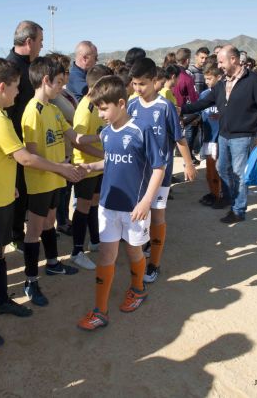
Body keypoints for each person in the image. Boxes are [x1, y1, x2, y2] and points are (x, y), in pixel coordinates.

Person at [0, 58, 83, 346]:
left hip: (0, 194)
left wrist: (10, 187)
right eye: (17, 87)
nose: (19, 92)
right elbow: (25, 158)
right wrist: (62, 168)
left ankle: (2, 300)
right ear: (3, 86)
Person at [76, 76, 166, 331]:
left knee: (134, 251)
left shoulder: (141, 130)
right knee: (107, 254)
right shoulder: (105, 134)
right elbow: (111, 162)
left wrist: (147, 201)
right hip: (107, 205)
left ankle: (137, 289)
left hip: (135, 208)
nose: (101, 114)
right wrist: (89, 166)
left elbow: (158, 168)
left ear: (121, 103)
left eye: (104, 108)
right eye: (98, 109)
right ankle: (100, 311)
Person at [21, 56, 99, 306]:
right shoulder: (33, 111)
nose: (61, 88)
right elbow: (31, 155)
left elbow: (75, 137)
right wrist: (61, 168)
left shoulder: (54, 109)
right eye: (57, 83)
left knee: (50, 222)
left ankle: (53, 263)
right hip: (42, 181)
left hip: (56, 178)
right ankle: (30, 281)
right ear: (45, 81)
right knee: (34, 230)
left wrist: (101, 135)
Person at [181, 45, 257, 223]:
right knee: (221, 168)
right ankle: (231, 198)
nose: (220, 65)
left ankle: (238, 210)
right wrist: (181, 109)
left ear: (234, 59)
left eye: (222, 61)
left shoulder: (253, 81)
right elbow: (204, 102)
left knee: (238, 173)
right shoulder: (222, 83)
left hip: (243, 136)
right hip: (224, 136)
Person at [128, 58, 197, 283]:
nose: (138, 88)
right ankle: (144, 246)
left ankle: (154, 263)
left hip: (161, 173)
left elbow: (179, 138)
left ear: (154, 81)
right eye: (134, 83)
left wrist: (188, 164)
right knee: (139, 215)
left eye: (142, 84)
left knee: (157, 215)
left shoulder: (164, 106)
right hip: (138, 174)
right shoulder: (131, 105)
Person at [70, 64, 113, 270]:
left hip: (98, 166)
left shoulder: (98, 105)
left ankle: (94, 241)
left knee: (95, 203)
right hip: (85, 166)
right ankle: (77, 251)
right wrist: (103, 154)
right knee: (83, 206)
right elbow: (77, 141)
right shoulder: (85, 108)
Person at [6, 20, 44, 252]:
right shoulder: (11, 68)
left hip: (29, 137)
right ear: (29, 42)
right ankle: (15, 235)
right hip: (16, 142)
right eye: (40, 41)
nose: (41, 46)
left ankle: (28, 229)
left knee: (27, 189)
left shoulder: (30, 66)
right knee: (17, 189)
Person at [45, 52, 78, 236]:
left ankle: (63, 220)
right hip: (62, 147)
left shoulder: (65, 92)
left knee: (66, 189)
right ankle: (61, 222)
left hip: (70, 146)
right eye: (64, 71)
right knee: (61, 190)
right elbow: (72, 116)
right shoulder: (54, 98)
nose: (67, 74)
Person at [198, 66, 223, 207]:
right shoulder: (204, 95)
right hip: (207, 139)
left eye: (209, 78)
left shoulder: (225, 95)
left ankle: (220, 195)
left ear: (218, 77)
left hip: (219, 139)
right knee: (209, 171)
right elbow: (199, 111)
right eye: (205, 78)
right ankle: (213, 193)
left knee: (219, 170)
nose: (207, 81)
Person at [173, 48, 200, 164]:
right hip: (183, 111)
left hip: (169, 110)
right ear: (187, 60)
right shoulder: (187, 78)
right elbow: (194, 99)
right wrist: (196, 115)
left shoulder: (169, 75)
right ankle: (188, 157)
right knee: (189, 131)